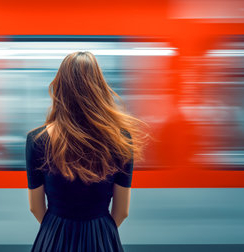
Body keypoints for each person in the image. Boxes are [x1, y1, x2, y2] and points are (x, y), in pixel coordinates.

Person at [26, 51, 150, 252]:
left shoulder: (37, 139)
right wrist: (98, 231)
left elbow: (35, 207)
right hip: (101, 235)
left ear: (60, 88)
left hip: (54, 236)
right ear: (99, 88)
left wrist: (57, 229)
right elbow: (122, 211)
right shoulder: (120, 139)